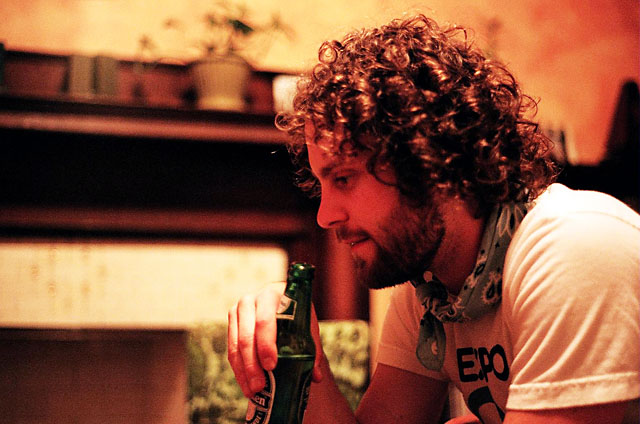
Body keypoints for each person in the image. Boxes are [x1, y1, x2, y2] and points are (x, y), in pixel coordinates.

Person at [227, 14, 640, 424]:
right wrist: (303, 349)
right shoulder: (432, 296)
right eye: (323, 184)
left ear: (434, 162)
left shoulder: (572, 248)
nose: (324, 216)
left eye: (344, 177)